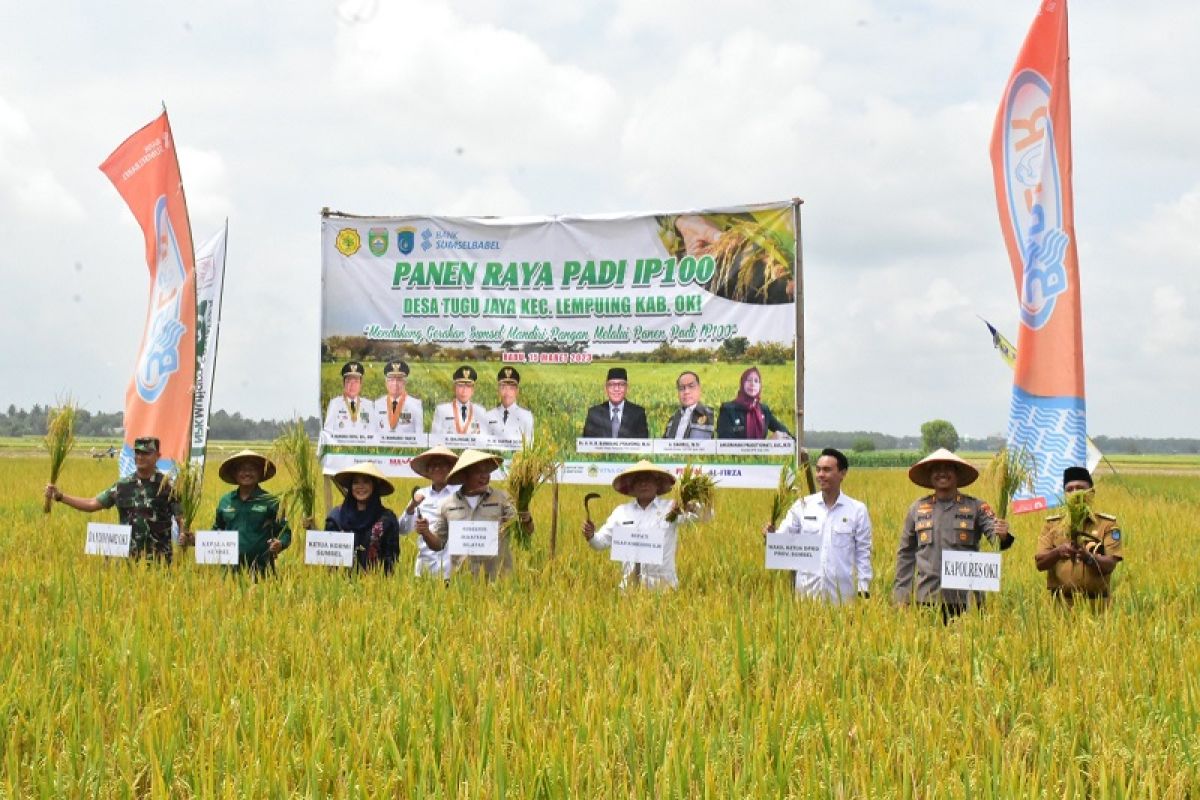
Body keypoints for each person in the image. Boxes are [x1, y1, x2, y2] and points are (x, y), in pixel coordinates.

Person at [893, 448, 1013, 622]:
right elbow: (905, 554)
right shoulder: (917, 509)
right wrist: (901, 596)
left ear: (957, 474)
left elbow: (995, 538)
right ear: (930, 475)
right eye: (936, 468)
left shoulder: (977, 507)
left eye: (948, 468)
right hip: (927, 598)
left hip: (967, 599)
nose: (942, 472)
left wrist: (1002, 534)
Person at [44, 435, 183, 563]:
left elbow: (181, 520)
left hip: (160, 563)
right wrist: (60, 497)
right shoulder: (123, 486)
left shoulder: (168, 487)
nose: (140, 457)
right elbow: (92, 504)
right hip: (127, 563)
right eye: (138, 453)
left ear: (157, 456)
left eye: (146, 453)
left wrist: (186, 538)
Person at [765, 448, 872, 603]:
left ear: (843, 473)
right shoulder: (802, 505)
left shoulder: (857, 510)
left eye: (827, 470)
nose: (821, 475)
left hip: (841, 598)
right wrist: (771, 536)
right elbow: (782, 539)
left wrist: (864, 589)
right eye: (818, 470)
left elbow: (863, 553)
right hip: (807, 597)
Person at [581, 460, 703, 591]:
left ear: (657, 485)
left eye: (648, 479)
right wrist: (591, 535)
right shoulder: (621, 512)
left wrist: (690, 506)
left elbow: (706, 516)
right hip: (629, 590)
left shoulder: (671, 508)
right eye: (639, 480)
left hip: (664, 589)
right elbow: (600, 543)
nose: (644, 483)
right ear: (632, 487)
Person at [427, 449, 533, 581]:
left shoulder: (503, 499)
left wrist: (526, 520)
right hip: (462, 582)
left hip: (498, 580)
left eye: (487, 472)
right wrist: (425, 532)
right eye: (478, 472)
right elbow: (438, 544)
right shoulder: (448, 504)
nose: (485, 476)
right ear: (465, 475)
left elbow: (525, 533)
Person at [1034, 466, 1123, 606]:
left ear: (1091, 492)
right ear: (1064, 495)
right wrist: (1058, 552)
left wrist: (1089, 558)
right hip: (1060, 605)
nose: (1075, 493)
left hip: (1097, 604)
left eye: (1080, 488)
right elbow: (1040, 563)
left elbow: (1110, 564)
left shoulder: (1107, 525)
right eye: (1069, 489)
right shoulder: (1052, 525)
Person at [213, 450, 294, 576]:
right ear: (235, 473)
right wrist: (194, 540)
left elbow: (285, 532)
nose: (247, 473)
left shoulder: (271, 502)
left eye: (252, 469)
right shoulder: (225, 501)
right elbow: (216, 530)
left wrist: (280, 544)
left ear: (260, 473)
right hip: (229, 572)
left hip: (262, 571)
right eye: (242, 469)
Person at [325, 462, 401, 574]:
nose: (360, 487)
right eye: (356, 482)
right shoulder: (336, 516)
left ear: (374, 486)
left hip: (375, 585)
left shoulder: (386, 519)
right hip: (340, 584)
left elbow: (391, 558)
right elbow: (327, 555)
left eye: (366, 481)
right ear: (351, 486)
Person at [399, 446, 460, 579]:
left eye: (442, 465)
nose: (437, 469)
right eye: (433, 466)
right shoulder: (420, 494)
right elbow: (403, 530)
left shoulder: (461, 494)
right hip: (425, 569)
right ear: (427, 471)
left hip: (453, 572)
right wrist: (411, 508)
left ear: (451, 468)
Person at [716, 366, 792, 439]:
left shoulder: (764, 410)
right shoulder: (728, 409)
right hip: (735, 452)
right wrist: (768, 445)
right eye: (749, 380)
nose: (752, 384)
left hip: (763, 452)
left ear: (760, 386)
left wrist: (796, 443)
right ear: (742, 383)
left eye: (756, 381)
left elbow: (783, 430)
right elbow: (724, 442)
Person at [581, 367, 649, 439]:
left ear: (627, 388)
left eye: (621, 385)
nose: (616, 389)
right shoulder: (594, 413)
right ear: (606, 388)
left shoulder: (638, 413)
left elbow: (642, 445)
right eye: (612, 385)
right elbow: (587, 445)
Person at [430, 365, 489, 436]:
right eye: (460, 386)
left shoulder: (481, 411)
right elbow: (434, 439)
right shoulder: (442, 410)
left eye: (468, 386)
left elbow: (484, 441)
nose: (464, 390)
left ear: (473, 390)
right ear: (454, 388)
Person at [324, 361, 375, 438]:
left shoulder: (369, 405)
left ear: (361, 384)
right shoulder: (334, 404)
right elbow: (327, 433)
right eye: (348, 382)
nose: (352, 385)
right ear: (343, 383)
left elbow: (373, 433)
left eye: (356, 382)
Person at [374, 359, 424, 435]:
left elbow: (420, 434)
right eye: (391, 379)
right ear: (386, 383)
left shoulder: (415, 404)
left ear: (405, 382)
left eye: (399, 380)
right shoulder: (377, 404)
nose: (395, 383)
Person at [662, 370, 714, 439]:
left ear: (699, 389)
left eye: (691, 386)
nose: (686, 392)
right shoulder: (673, 419)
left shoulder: (711, 415)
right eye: (681, 388)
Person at [486, 366, 534, 441]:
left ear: (517, 391)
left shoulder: (526, 416)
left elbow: (529, 446)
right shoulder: (489, 415)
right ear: (498, 390)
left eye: (511, 388)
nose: (507, 392)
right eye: (503, 387)